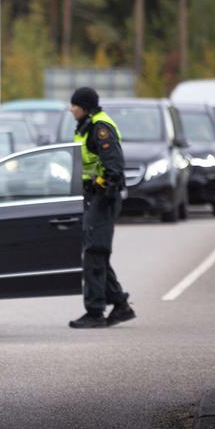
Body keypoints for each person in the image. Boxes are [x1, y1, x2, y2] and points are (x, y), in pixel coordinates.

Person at [67, 87, 136, 329]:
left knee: (95, 252)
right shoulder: (87, 125)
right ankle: (120, 305)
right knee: (97, 253)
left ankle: (95, 312)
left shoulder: (100, 128)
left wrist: (102, 191)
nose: (71, 108)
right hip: (94, 197)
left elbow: (114, 168)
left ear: (84, 107)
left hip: (104, 198)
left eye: (74, 105)